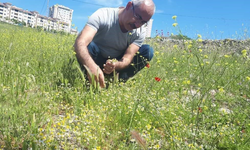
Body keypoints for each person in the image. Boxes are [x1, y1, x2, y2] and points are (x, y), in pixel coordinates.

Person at [74, 0, 155, 88]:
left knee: (148, 51)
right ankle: (89, 78)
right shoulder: (103, 15)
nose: (137, 24)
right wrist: (91, 66)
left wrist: (116, 65)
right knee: (88, 46)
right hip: (95, 57)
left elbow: (127, 58)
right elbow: (80, 42)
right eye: (137, 17)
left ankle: (119, 82)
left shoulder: (140, 31)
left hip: (116, 62)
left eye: (143, 22)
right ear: (129, 6)